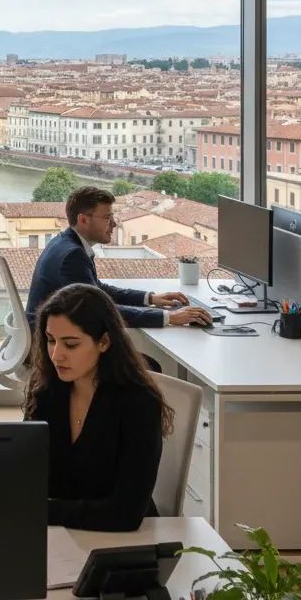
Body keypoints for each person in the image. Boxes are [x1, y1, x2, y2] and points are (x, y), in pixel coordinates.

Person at [24, 283, 173, 531]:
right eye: (51, 340)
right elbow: (29, 471)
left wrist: (41, 510)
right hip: (65, 534)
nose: (56, 355)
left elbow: (125, 513)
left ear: (104, 342)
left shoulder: (139, 402)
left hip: (123, 543)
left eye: (71, 344)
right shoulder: (47, 389)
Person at [25, 186, 212, 330]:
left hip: (51, 334)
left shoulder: (65, 242)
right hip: (48, 346)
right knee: (147, 366)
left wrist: (151, 298)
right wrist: (170, 317)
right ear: (83, 220)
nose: (114, 224)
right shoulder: (71, 256)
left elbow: (97, 292)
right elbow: (98, 311)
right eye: (107, 217)